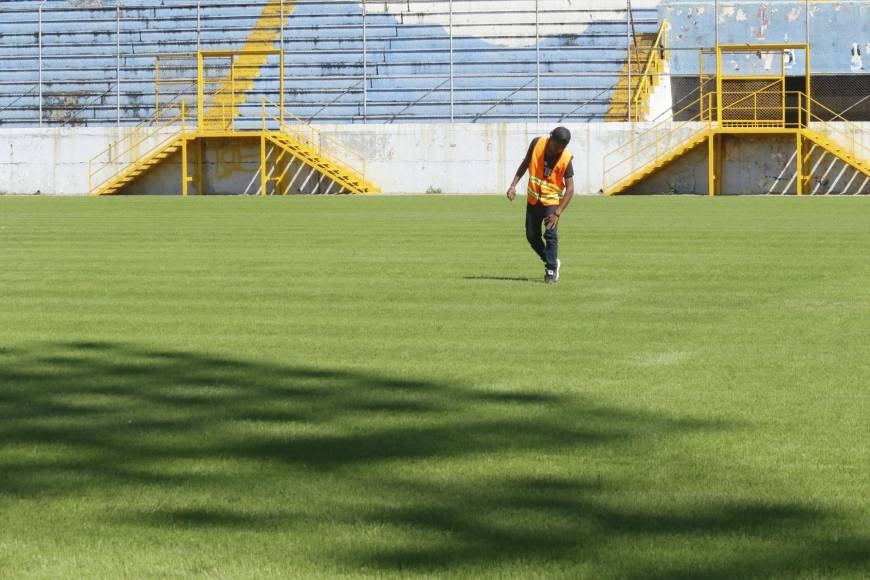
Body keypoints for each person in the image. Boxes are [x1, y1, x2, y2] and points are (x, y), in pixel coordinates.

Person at [505, 126, 575, 284]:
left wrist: (558, 212)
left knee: (550, 235)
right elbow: (525, 163)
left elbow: (570, 189)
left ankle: (550, 270)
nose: (558, 150)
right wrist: (513, 185)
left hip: (551, 202)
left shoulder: (566, 158)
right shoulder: (537, 143)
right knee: (531, 236)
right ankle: (552, 261)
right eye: (556, 146)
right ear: (551, 138)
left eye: (562, 147)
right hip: (533, 199)